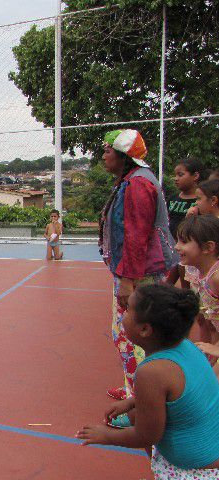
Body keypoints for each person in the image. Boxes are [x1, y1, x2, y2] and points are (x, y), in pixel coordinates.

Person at [77, 284, 219, 478]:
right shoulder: (185, 346)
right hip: (210, 446)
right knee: (136, 413)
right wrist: (131, 401)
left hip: (194, 468)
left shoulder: (151, 372)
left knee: (140, 421)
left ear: (144, 329)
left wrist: (105, 435)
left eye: (127, 311)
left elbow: (147, 435)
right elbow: (180, 393)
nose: (122, 315)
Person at [99, 129, 178, 402]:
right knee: (127, 334)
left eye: (107, 151)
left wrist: (127, 279)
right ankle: (133, 389)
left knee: (130, 335)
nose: (103, 156)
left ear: (123, 155)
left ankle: (139, 402)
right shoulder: (134, 180)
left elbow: (136, 235)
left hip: (139, 275)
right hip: (138, 273)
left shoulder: (138, 185)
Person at [174, 215, 219, 361]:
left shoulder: (216, 278)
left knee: (211, 381)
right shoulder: (194, 271)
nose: (176, 246)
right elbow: (208, 320)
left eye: (184, 242)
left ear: (208, 247)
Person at [167, 158, 205, 240]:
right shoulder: (172, 198)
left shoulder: (203, 202)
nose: (176, 178)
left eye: (180, 175)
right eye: (175, 175)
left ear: (195, 176)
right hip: (171, 246)